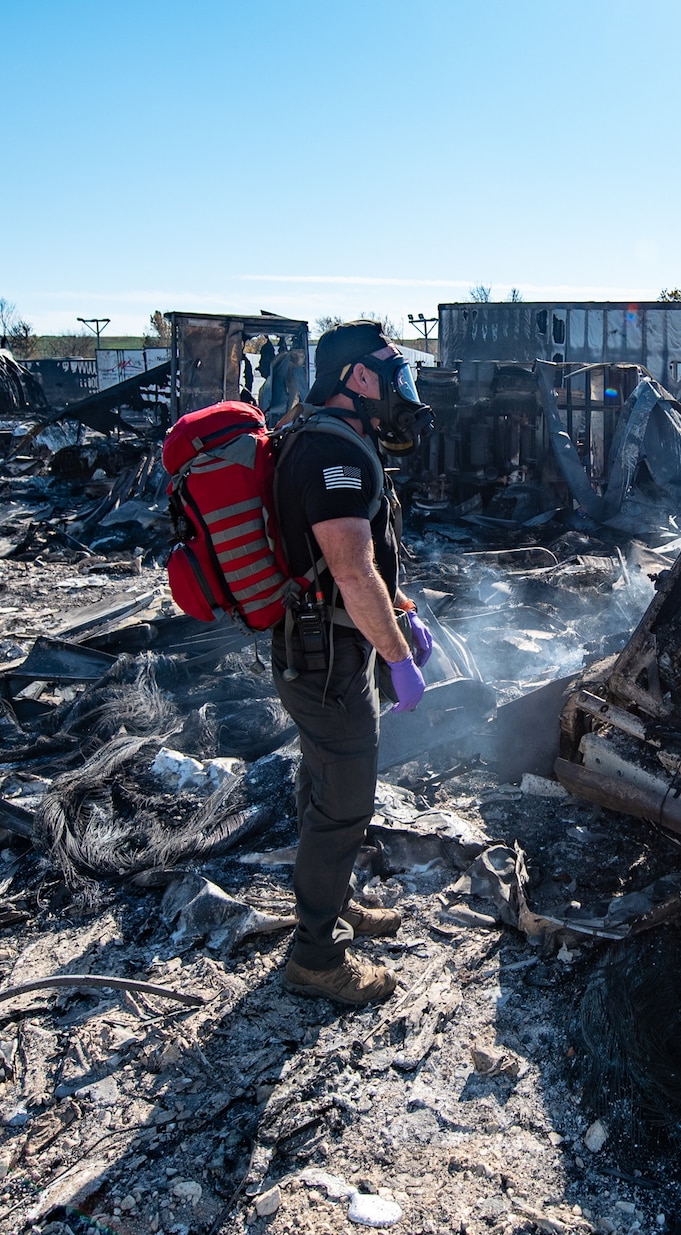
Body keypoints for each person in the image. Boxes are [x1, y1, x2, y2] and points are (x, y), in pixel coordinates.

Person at [271, 321, 435, 1005]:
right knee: (343, 802)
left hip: (326, 652)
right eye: (394, 375)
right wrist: (398, 656)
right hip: (325, 662)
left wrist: (400, 609)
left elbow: (360, 560)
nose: (404, 390)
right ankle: (315, 955)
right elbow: (347, 567)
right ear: (357, 380)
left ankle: (331, 904)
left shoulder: (336, 440)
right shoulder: (330, 454)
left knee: (326, 789)